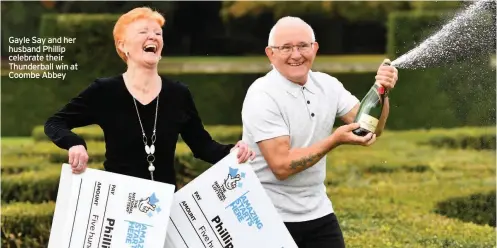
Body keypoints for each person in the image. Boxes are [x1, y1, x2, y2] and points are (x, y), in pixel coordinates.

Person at [44, 7, 255, 186]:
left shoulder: (178, 94)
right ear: (122, 46)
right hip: (119, 206)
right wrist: (74, 143)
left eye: (158, 33)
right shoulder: (105, 91)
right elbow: (55, 123)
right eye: (143, 32)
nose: (153, 36)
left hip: (164, 208)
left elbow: (203, 147)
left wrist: (233, 152)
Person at [241, 16, 398, 247]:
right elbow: (282, 166)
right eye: (286, 48)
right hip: (268, 216)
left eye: (303, 46)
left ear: (315, 48)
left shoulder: (328, 85)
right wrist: (334, 140)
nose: (296, 55)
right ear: (270, 54)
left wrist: (381, 89)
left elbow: (371, 127)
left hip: (318, 211)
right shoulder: (262, 95)